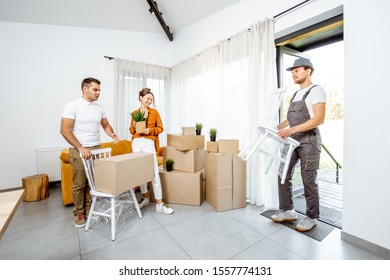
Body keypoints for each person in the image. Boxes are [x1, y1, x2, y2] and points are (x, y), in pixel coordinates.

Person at [271, 58, 326, 232]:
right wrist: (280, 127)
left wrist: (291, 130)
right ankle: (288, 210)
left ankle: (311, 217)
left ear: (308, 70)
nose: (293, 74)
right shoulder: (296, 94)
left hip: (309, 141)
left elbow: (318, 119)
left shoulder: (317, 91)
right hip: (292, 139)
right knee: (283, 173)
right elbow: (291, 117)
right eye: (292, 71)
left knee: (308, 179)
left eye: (297, 70)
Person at [60, 77, 120, 228]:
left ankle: (89, 209)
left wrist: (112, 134)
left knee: (92, 183)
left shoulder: (99, 108)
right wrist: (81, 148)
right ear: (85, 89)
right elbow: (64, 130)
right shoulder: (73, 106)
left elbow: (106, 125)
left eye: (99, 90)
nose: (98, 92)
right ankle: (79, 213)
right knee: (79, 184)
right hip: (79, 150)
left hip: (96, 149)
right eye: (95, 89)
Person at [130, 88, 174, 215]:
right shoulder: (134, 113)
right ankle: (145, 198)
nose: (149, 101)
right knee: (140, 171)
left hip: (149, 142)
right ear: (140, 98)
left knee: (154, 172)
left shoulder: (154, 112)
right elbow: (132, 131)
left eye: (151, 99)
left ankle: (160, 203)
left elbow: (160, 128)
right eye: (147, 98)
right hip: (137, 143)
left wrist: (150, 130)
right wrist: (133, 127)